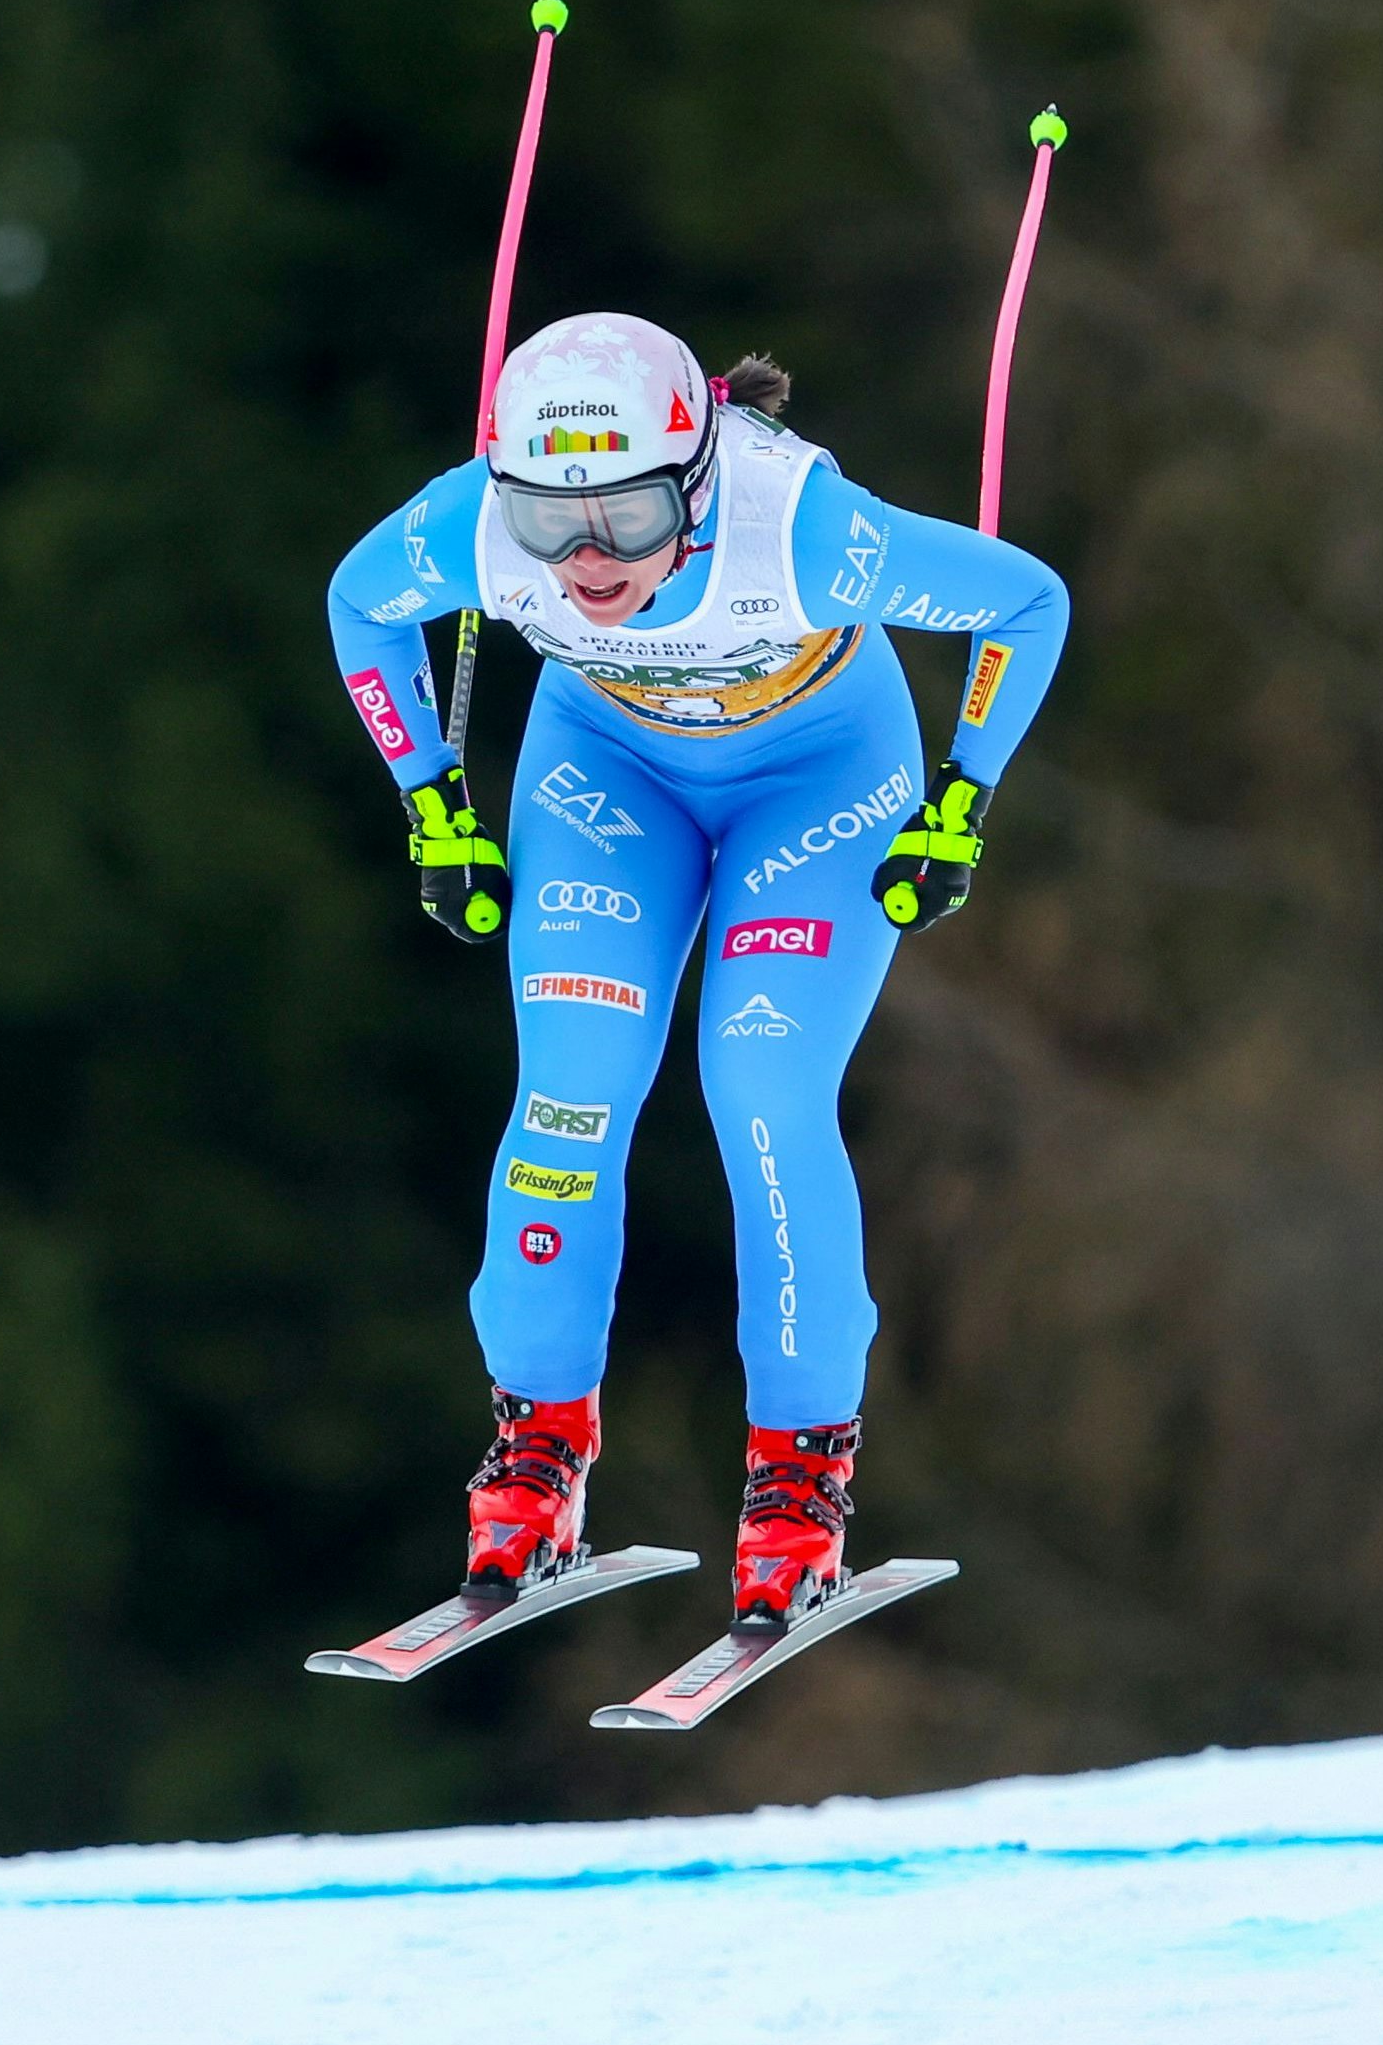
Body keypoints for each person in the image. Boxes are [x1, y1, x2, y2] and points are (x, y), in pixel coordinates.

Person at [324, 311, 1069, 1625]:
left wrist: (961, 801)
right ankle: (536, 1446)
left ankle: (800, 1475)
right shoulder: (478, 526)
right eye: (551, 522)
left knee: (765, 1088)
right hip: (609, 772)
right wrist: (432, 804)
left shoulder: (802, 532)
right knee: (571, 1090)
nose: (588, 558)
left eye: (625, 513)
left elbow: (1023, 599)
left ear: (698, 478)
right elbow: (360, 606)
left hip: (819, 779)